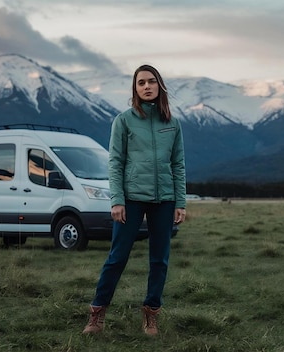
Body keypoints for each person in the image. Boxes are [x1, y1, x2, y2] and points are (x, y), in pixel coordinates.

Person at [82, 64, 187, 336]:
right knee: (117, 257)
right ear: (135, 88)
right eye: (141, 83)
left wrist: (180, 201)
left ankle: (151, 315)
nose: (147, 86)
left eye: (152, 82)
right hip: (130, 199)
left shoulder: (172, 124)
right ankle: (97, 314)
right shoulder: (124, 120)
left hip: (164, 199)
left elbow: (178, 164)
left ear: (160, 86)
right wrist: (117, 200)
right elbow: (115, 162)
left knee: (159, 259)